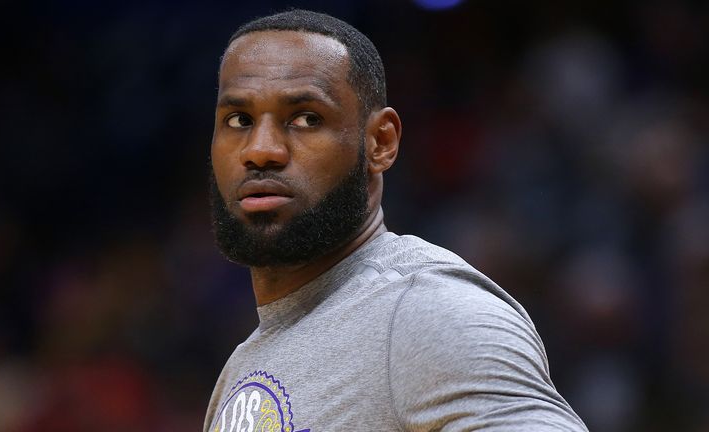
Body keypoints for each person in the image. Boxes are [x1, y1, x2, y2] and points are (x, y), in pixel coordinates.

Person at [205, 9, 588, 432]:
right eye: (239, 120)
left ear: (380, 142)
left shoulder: (429, 312)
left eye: (305, 118)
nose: (260, 150)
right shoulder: (244, 365)